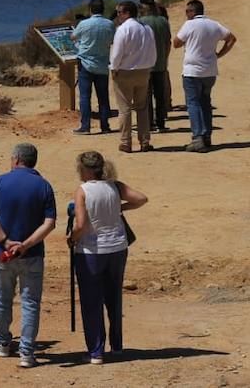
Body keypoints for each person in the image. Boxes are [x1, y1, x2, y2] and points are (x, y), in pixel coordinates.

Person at [67, 150, 147, 364]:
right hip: (118, 248)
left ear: (83, 169)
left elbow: (81, 225)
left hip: (92, 252)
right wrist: (119, 208)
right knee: (114, 297)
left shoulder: (82, 190)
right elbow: (141, 199)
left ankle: (96, 351)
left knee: (92, 301)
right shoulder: (115, 185)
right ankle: (117, 346)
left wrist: (72, 238)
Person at [0, 142, 57, 368]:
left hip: (3, 253)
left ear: (15, 159)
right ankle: (26, 352)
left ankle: (3, 344)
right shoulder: (44, 186)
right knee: (30, 302)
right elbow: (50, 223)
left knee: (3, 298)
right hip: (32, 254)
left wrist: (5, 240)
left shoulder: (0, 182)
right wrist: (26, 245)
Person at [173, 0, 237, 153]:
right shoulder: (214, 24)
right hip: (210, 71)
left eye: (187, 11)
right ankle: (207, 136)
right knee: (205, 103)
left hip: (192, 72)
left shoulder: (189, 25)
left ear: (193, 12)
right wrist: (219, 55)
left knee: (193, 103)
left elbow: (176, 43)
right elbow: (231, 39)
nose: (186, 14)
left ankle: (197, 138)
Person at [109, 0, 157, 154]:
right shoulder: (147, 28)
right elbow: (152, 50)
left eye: (119, 12)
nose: (118, 15)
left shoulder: (123, 29)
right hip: (144, 71)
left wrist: (113, 68)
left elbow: (116, 53)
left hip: (125, 71)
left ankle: (125, 142)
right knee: (142, 107)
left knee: (124, 109)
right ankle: (144, 141)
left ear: (127, 13)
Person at [70, 0, 115, 134]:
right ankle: (105, 126)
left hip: (85, 64)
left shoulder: (84, 23)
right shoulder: (110, 24)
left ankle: (85, 126)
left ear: (90, 10)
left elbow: (73, 37)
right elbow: (113, 40)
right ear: (103, 9)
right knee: (103, 96)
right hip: (102, 65)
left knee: (85, 96)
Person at [138, 0, 172, 131]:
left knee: (146, 96)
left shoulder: (141, 22)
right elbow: (168, 43)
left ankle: (149, 123)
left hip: (146, 64)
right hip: (160, 63)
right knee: (160, 95)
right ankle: (161, 123)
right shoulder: (163, 21)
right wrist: (165, 58)